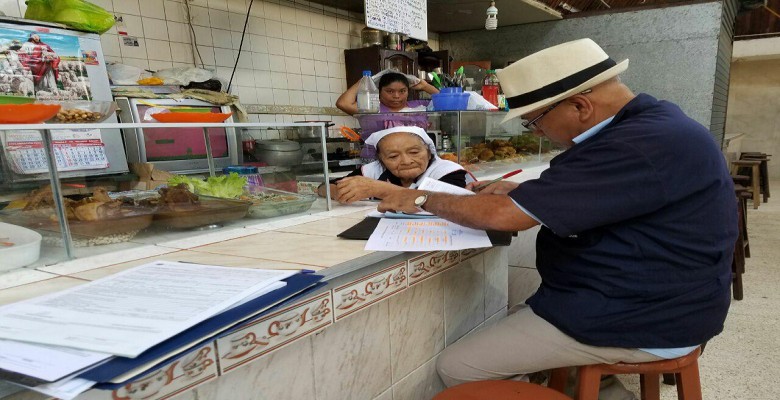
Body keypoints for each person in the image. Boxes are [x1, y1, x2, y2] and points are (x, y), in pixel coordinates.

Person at [376, 39, 737, 399]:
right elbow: (616, 193)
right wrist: (529, 192)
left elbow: (505, 217)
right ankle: (599, 388)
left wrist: (419, 197)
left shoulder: (634, 144)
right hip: (656, 297)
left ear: (579, 105)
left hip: (647, 316)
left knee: (459, 367)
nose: (537, 133)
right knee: (518, 320)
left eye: (534, 121)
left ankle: (583, 381)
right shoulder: (655, 124)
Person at [317, 126, 473, 203]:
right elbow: (324, 187)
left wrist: (379, 189)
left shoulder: (447, 171)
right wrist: (340, 192)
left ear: (429, 152)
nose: (406, 161)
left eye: (414, 152)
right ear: (381, 160)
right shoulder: (374, 170)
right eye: (393, 156)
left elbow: (446, 202)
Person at [336, 71, 440, 161]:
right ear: (379, 91)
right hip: (376, 161)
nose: (396, 96)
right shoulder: (371, 108)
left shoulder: (419, 106)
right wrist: (365, 80)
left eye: (402, 91)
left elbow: (447, 103)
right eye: (390, 91)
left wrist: (426, 86)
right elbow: (343, 103)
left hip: (414, 161)